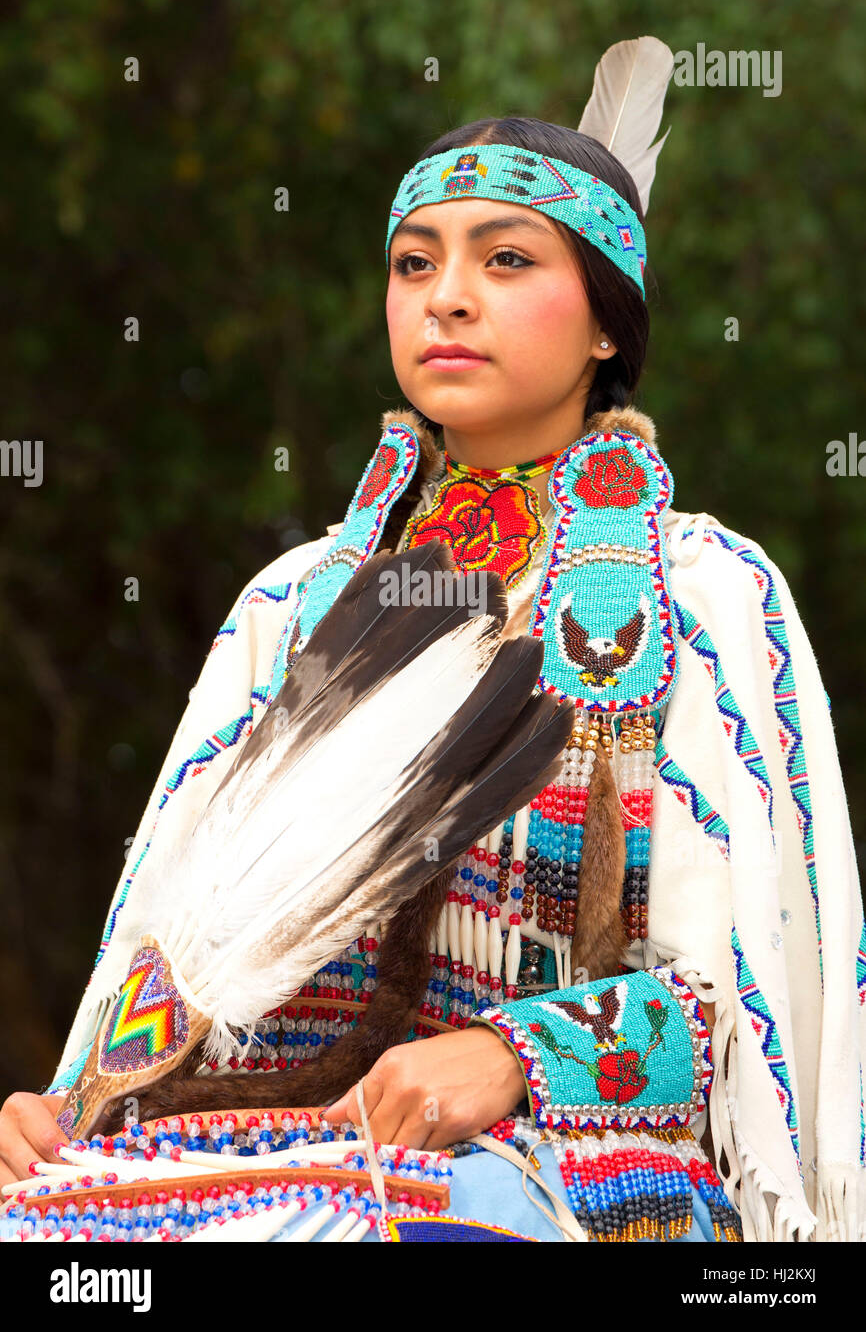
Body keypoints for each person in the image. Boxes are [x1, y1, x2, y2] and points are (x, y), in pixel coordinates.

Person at [2, 88, 864, 1243]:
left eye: (504, 259)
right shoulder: (299, 603)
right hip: (284, 1141)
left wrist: (513, 1054)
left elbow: (748, 1007)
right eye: (414, 265)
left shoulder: (697, 594)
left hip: (579, 1176)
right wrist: (66, 1110)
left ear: (607, 325)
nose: (445, 296)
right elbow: (182, 957)